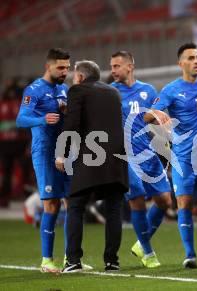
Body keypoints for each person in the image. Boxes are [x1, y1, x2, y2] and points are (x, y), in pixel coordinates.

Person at [144, 43, 197, 268]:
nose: (196, 61)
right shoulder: (170, 89)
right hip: (183, 157)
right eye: (191, 58)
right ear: (181, 64)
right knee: (184, 203)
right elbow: (146, 118)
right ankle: (190, 254)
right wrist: (157, 112)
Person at [56, 60, 128, 272]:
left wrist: (61, 154)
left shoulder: (77, 90)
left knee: (76, 205)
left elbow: (72, 125)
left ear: (79, 77)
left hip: (91, 156)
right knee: (114, 207)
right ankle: (112, 261)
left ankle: (73, 260)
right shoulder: (113, 92)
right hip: (117, 157)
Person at [110, 51, 172, 268]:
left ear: (130, 66)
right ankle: (148, 252)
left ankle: (141, 242)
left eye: (117, 66)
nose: (113, 70)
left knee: (165, 201)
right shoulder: (111, 93)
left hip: (147, 153)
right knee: (137, 202)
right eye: (112, 66)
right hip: (125, 158)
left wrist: (158, 117)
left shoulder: (147, 90)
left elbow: (149, 117)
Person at [16, 48, 71, 273]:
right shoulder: (34, 90)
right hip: (44, 152)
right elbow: (21, 119)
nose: (65, 71)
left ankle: (72, 259)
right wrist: (42, 119)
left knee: (73, 203)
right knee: (52, 204)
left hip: (65, 152)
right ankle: (47, 260)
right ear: (48, 66)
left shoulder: (64, 88)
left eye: (67, 67)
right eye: (61, 67)